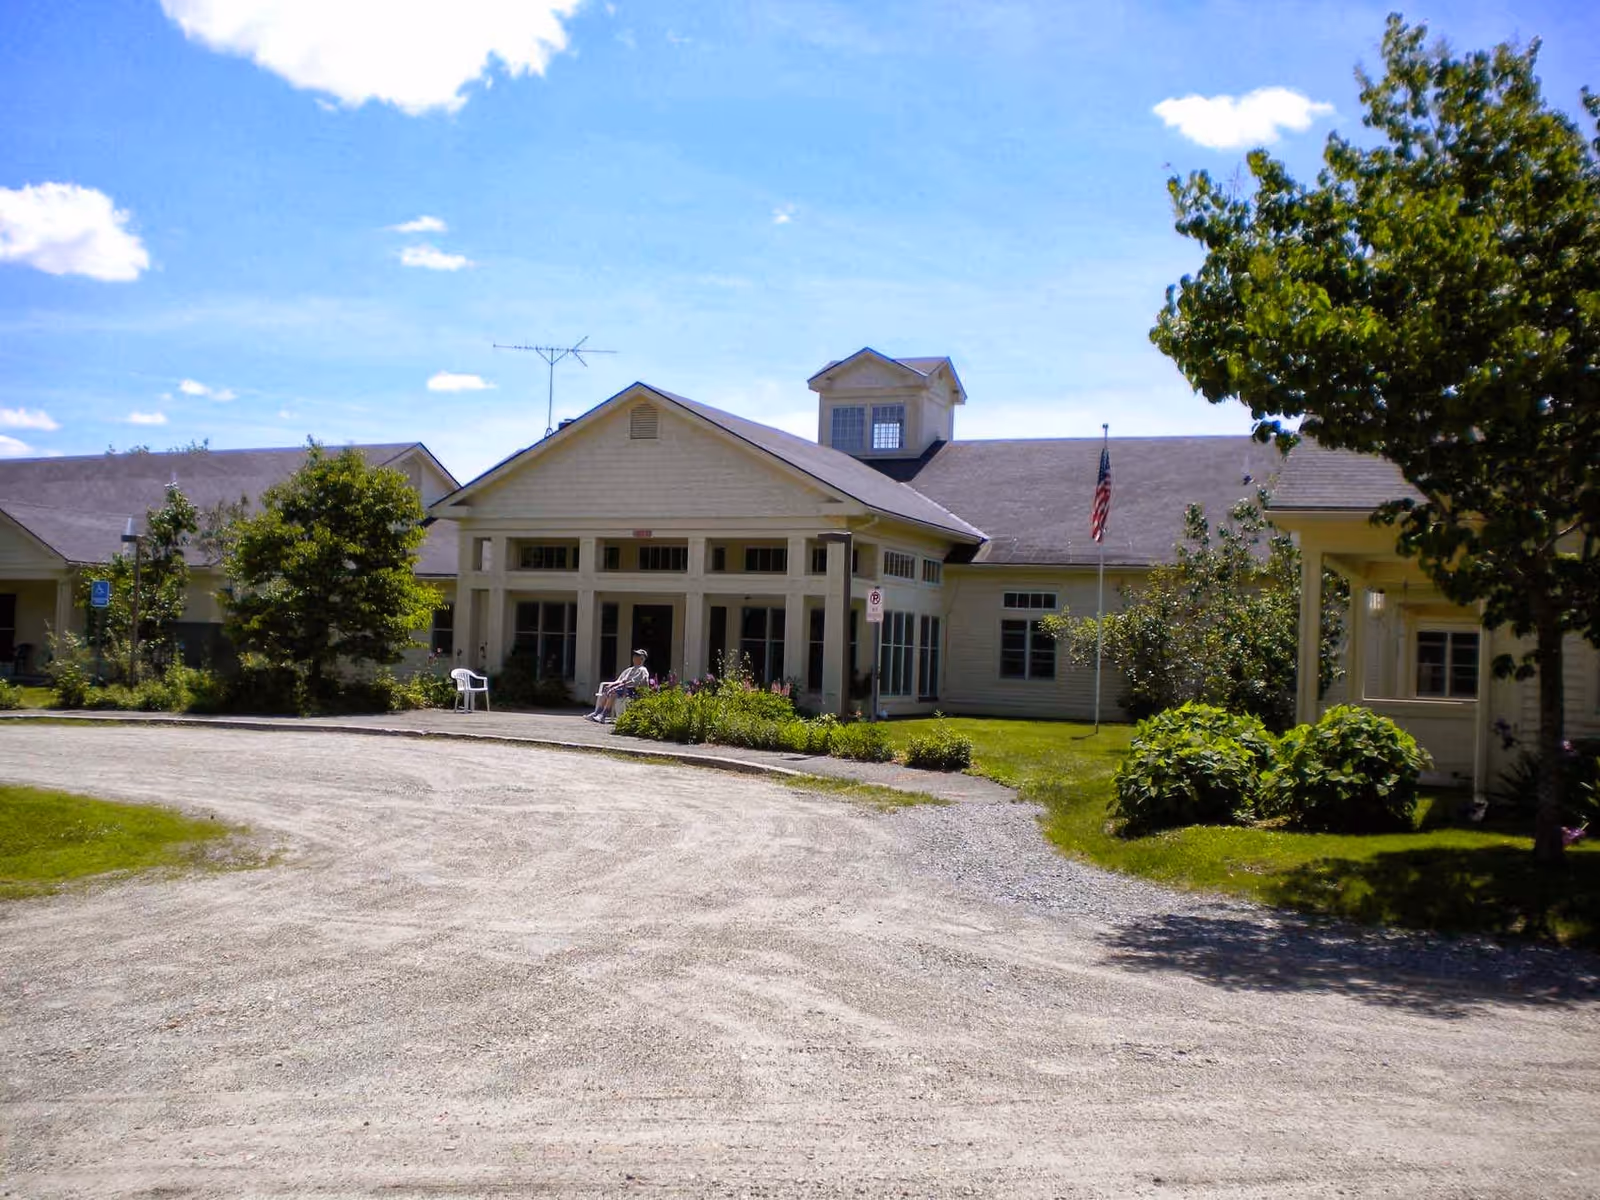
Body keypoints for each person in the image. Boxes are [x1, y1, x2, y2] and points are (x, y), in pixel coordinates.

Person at [587, 649, 650, 722]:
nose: (634, 657)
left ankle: (603, 715)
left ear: (642, 659)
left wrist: (617, 686)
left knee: (613, 692)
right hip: (623, 688)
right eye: (634, 655)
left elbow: (634, 682)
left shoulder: (642, 670)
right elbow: (621, 680)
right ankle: (596, 713)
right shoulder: (630, 669)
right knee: (607, 690)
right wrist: (612, 684)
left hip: (633, 691)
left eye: (637, 656)